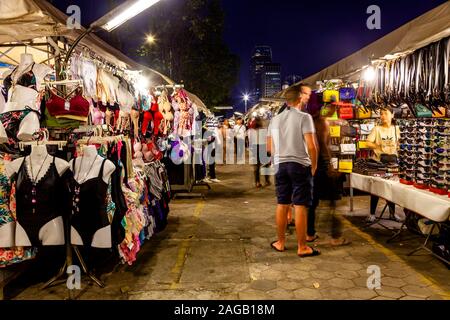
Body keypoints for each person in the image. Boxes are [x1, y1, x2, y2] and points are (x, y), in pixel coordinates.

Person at [267, 83, 319, 257]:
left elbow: (269, 147)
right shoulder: (304, 118)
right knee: (300, 206)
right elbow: (312, 146)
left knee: (282, 204)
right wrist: (314, 165)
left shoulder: (275, 119)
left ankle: (280, 242)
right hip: (300, 165)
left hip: (280, 165)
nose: (307, 99)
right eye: (305, 96)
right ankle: (302, 246)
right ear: (299, 98)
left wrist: (278, 160)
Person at [306, 101, 351, 246]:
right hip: (322, 166)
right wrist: (330, 165)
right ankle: (335, 237)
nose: (332, 110)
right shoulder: (321, 123)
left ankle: (310, 233)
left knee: (313, 203)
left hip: (311, 166)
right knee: (333, 201)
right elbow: (323, 147)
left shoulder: (309, 122)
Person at [366, 106, 401, 222]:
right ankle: (372, 214)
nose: (383, 116)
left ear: (392, 115)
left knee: (391, 189)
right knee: (376, 188)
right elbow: (368, 142)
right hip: (379, 163)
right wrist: (378, 146)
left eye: (385, 113)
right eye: (381, 114)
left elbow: (401, 142)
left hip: (393, 163)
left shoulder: (396, 129)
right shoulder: (377, 129)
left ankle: (392, 213)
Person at [248, 117, 270, 188]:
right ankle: (267, 180)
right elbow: (267, 140)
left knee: (256, 166)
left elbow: (249, 141)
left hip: (255, 148)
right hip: (263, 147)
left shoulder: (251, 131)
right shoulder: (264, 130)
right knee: (266, 165)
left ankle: (257, 182)